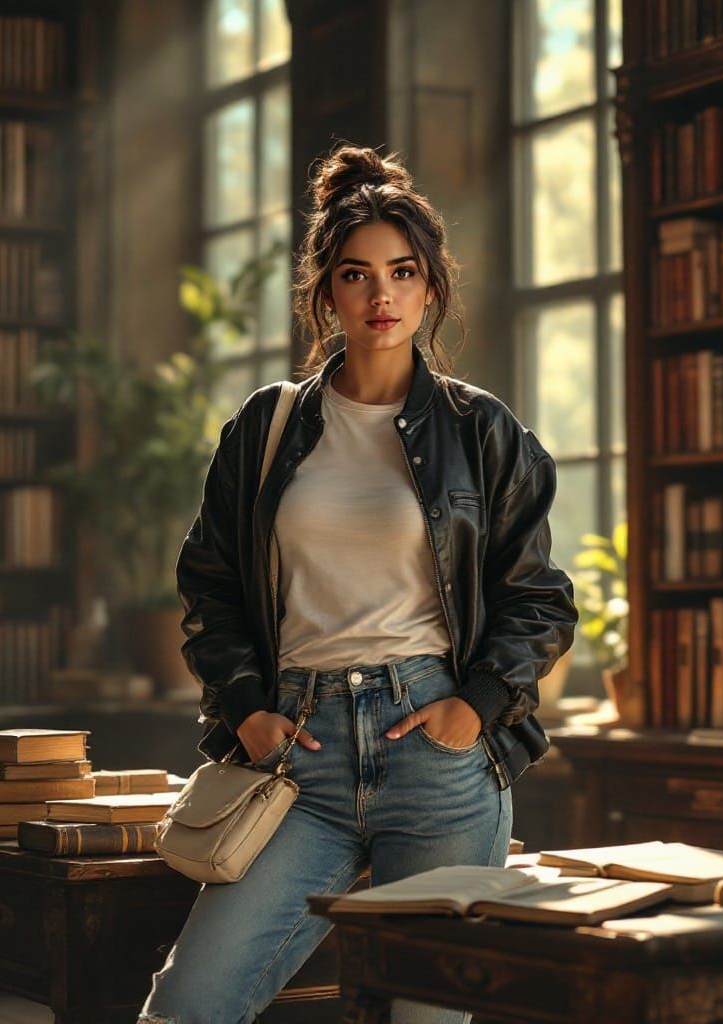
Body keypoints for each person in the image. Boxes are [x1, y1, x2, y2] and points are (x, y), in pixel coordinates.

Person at [138, 143, 578, 1024]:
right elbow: (210, 584)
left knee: (423, 1016)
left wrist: (477, 705)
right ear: (326, 292)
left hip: (437, 757)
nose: (382, 295)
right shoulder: (267, 426)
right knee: (189, 1004)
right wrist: (245, 708)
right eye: (357, 274)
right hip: (297, 758)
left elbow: (539, 598)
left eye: (402, 272)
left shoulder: (482, 431)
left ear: (430, 288)